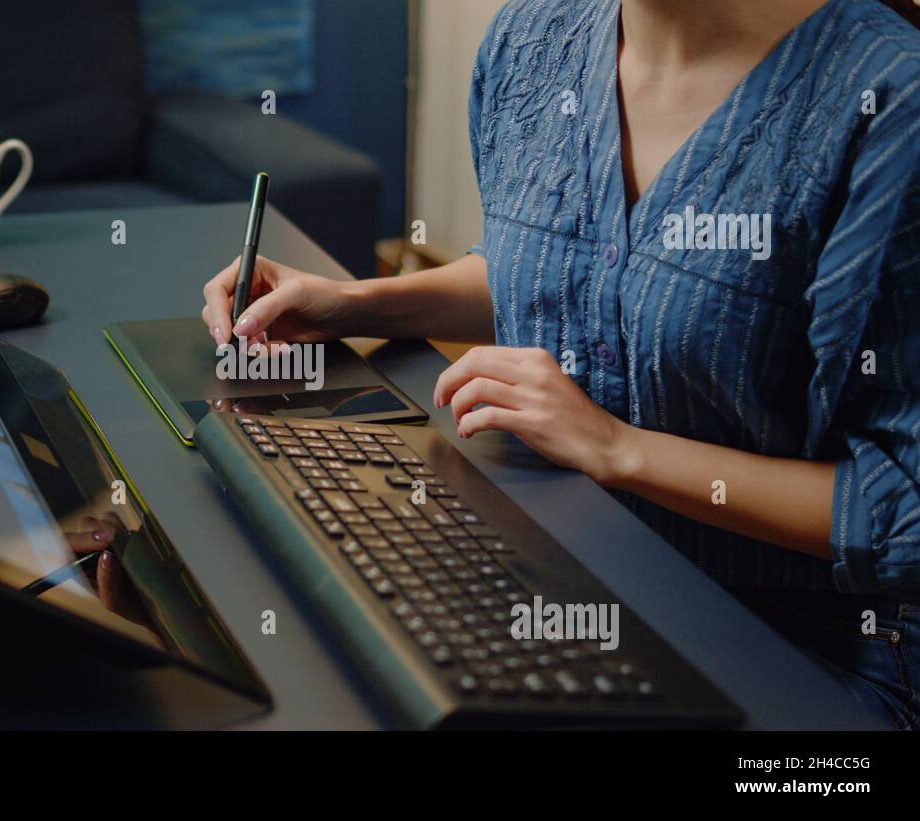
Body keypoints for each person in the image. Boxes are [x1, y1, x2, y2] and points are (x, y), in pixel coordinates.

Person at [201, 0, 920, 729]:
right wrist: (353, 305)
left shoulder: (891, 102)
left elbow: (904, 505)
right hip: (564, 563)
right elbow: (554, 272)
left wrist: (619, 448)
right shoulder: (532, 38)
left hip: (800, 650)